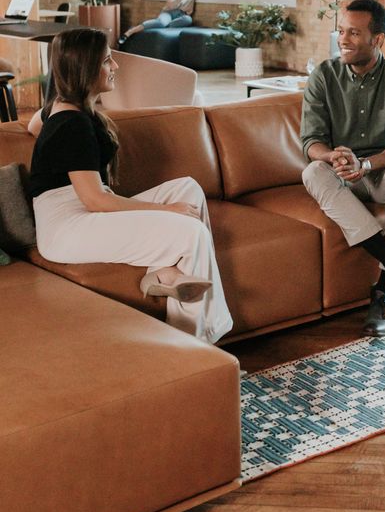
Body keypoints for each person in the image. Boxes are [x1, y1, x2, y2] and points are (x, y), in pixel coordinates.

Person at [28, 27, 232, 344]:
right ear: (86, 69)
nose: (116, 67)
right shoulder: (73, 124)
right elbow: (95, 201)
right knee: (191, 232)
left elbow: (33, 125)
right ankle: (196, 343)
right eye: (108, 61)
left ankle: (161, 273)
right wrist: (166, 210)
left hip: (80, 209)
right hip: (67, 227)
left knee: (187, 189)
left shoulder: (62, 106)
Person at [300, 0, 385, 338]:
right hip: (345, 175)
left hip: (382, 174)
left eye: (354, 33)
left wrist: (368, 163)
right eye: (341, 31)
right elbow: (310, 141)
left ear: (378, 39)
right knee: (312, 172)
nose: (343, 39)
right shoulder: (323, 77)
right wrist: (332, 157)